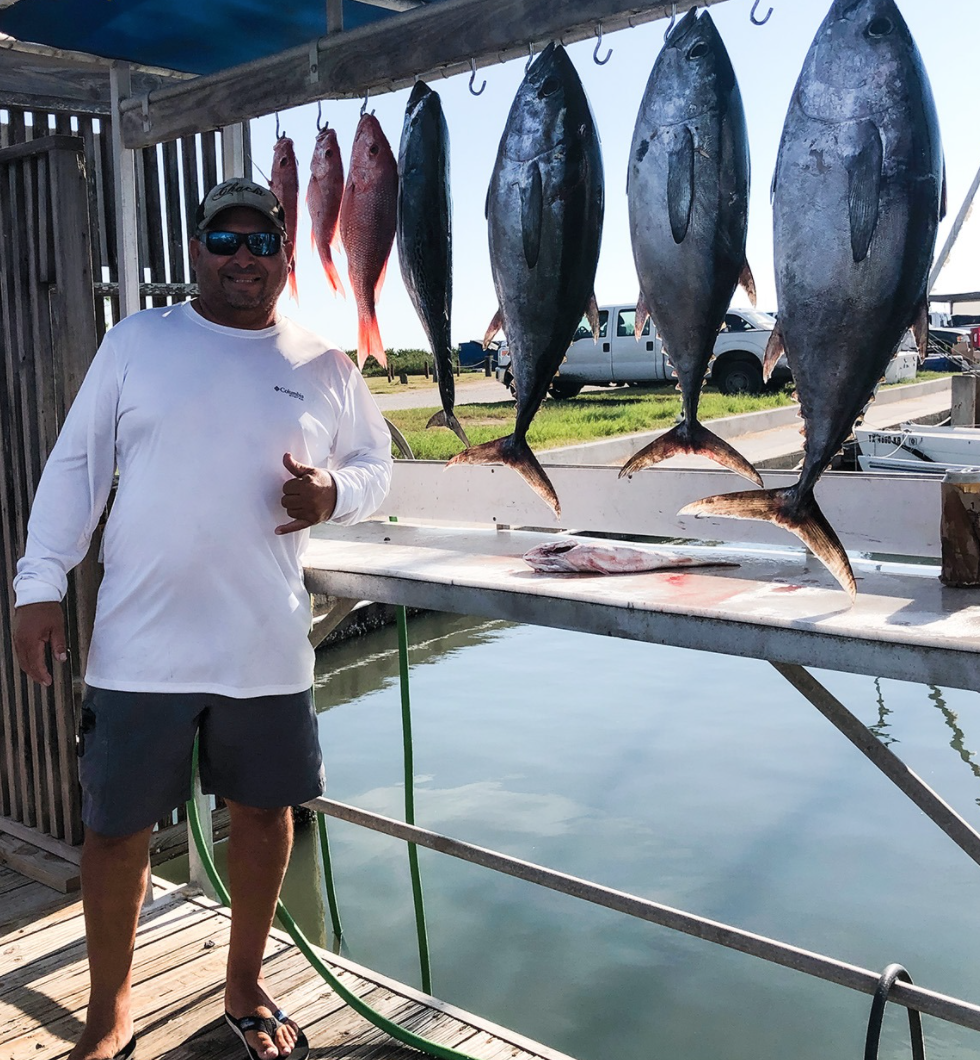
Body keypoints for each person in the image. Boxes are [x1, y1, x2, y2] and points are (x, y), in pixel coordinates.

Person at [12, 178, 393, 1060]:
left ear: (285, 259)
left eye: (262, 244)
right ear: (196, 250)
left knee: (264, 817)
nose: (243, 259)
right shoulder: (136, 341)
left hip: (263, 644)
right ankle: (111, 1013)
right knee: (115, 833)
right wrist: (40, 581)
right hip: (138, 648)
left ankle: (245, 981)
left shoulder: (326, 366)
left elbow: (380, 469)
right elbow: (77, 468)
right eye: (225, 240)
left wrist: (335, 491)